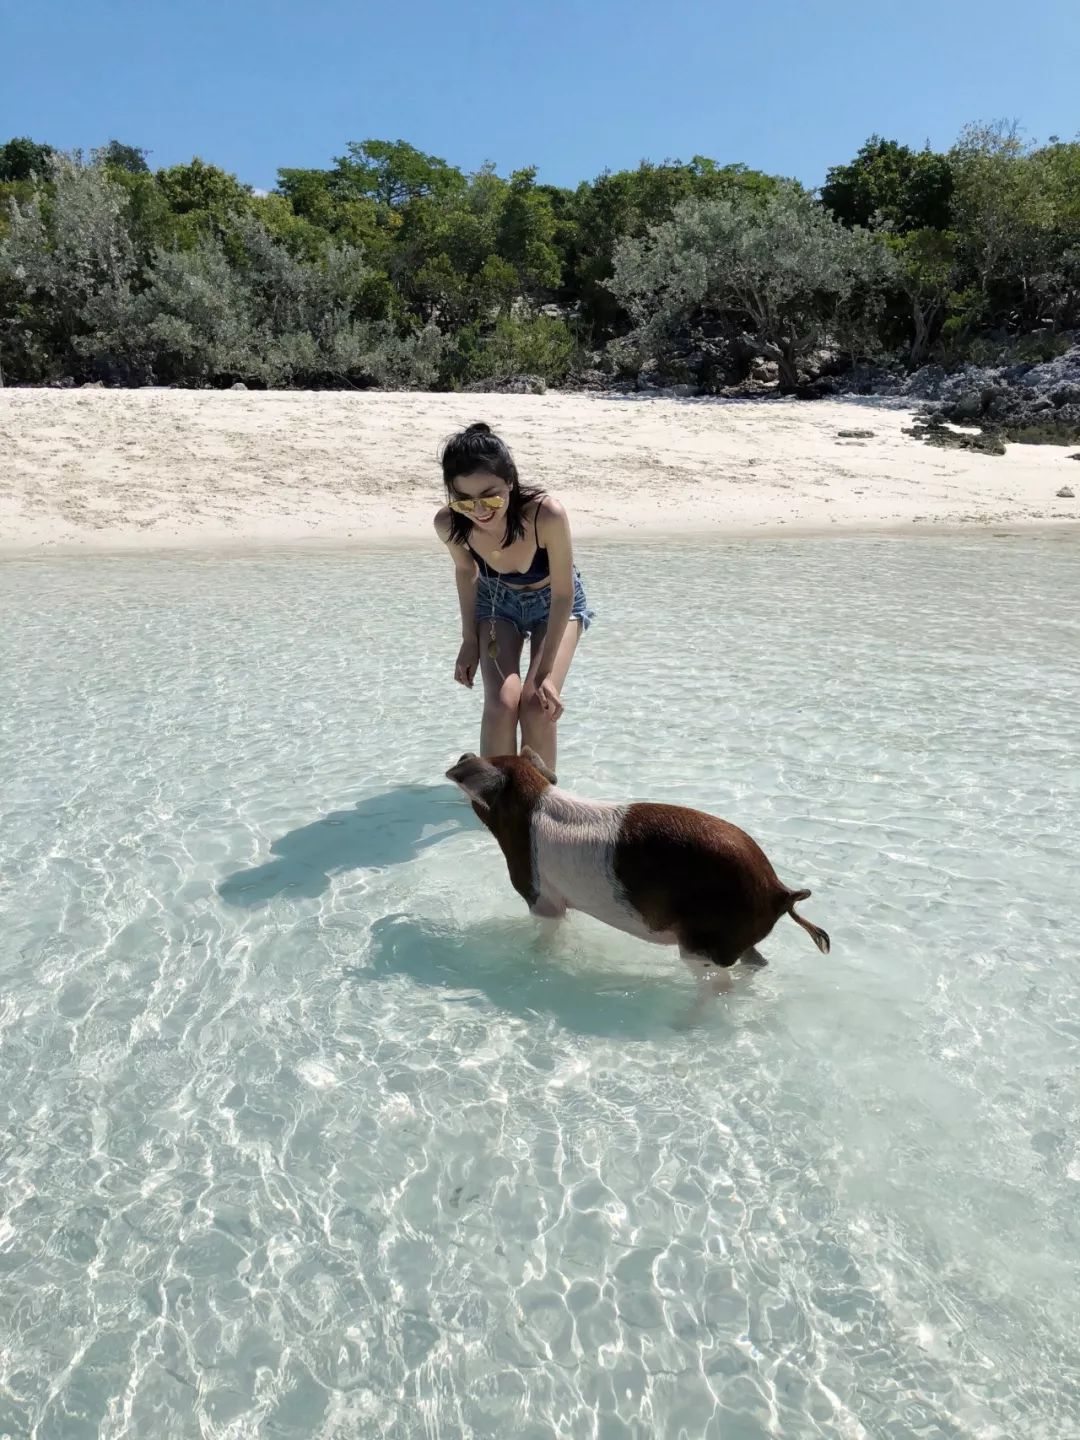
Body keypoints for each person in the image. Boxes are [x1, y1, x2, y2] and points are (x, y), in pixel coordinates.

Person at [434, 421, 593, 770]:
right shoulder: (449, 525)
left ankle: (540, 807)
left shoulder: (545, 515)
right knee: (502, 702)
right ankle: (492, 801)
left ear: (510, 481)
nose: (479, 511)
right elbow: (466, 572)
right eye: (464, 501)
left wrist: (546, 673)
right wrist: (468, 640)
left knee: (537, 701)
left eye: (490, 496)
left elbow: (565, 593)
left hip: (555, 603)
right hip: (496, 602)